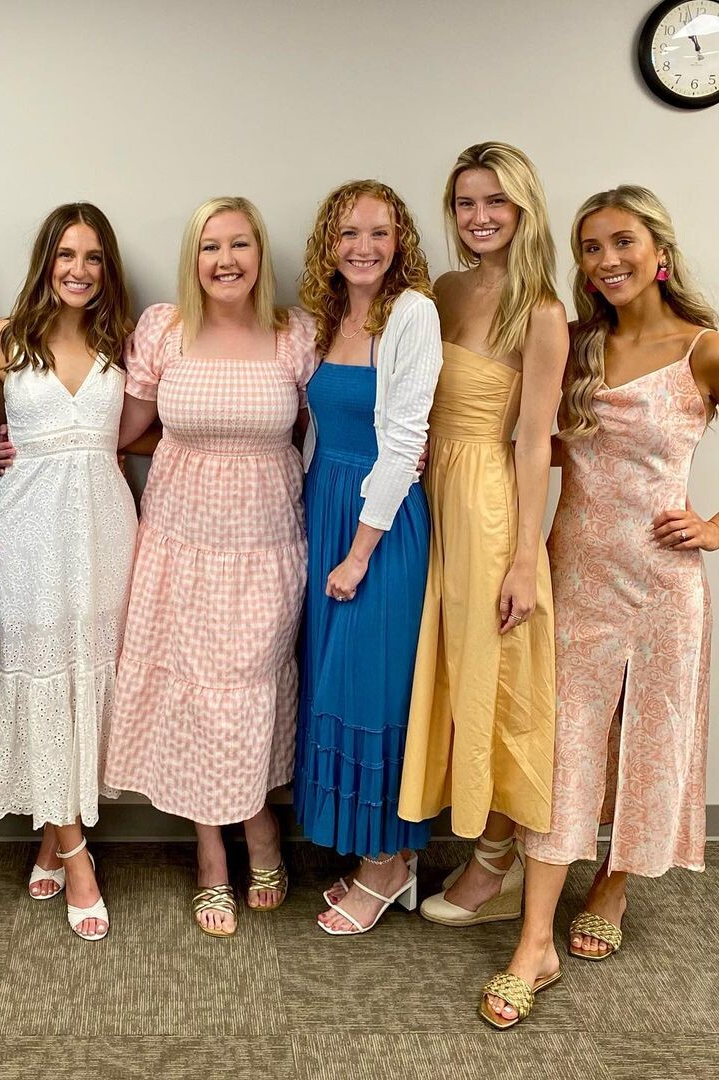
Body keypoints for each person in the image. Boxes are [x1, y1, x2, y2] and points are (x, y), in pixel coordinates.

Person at [481, 186, 718, 1028]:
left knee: (648, 743)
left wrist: (713, 527)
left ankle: (613, 885)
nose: (607, 259)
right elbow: (531, 441)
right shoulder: (575, 342)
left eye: (622, 242)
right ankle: (534, 943)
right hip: (574, 577)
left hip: (663, 587)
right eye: (590, 247)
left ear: (659, 251)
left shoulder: (703, 350)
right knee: (566, 749)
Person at [101, 196, 316, 937]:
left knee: (246, 692)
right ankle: (212, 855)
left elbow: (321, 432)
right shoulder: (165, 329)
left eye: (239, 244)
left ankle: (259, 825)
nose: (226, 260)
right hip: (178, 547)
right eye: (210, 246)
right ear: (192, 259)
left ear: (260, 253)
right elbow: (124, 430)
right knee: (195, 696)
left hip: (266, 548)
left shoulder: (294, 335)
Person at [399, 142, 568, 926]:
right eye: (466, 203)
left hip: (488, 505)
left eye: (495, 201)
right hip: (430, 494)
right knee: (440, 671)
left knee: (492, 680)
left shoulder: (541, 312)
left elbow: (534, 442)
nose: (479, 216)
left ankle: (495, 860)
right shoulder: (442, 289)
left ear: (524, 208)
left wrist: (525, 558)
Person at [0, 203, 137, 940]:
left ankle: (51, 833)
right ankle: (76, 857)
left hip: (105, 527)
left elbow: (148, 423)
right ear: (46, 260)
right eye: (67, 254)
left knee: (84, 674)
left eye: (93, 257)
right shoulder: (3, 339)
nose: (79, 269)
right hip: (28, 529)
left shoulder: (121, 340)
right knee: (39, 672)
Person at [293, 181, 441, 935]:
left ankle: (388, 864)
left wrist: (357, 553)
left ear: (400, 240)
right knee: (330, 680)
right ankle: (375, 853)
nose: (364, 247)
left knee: (371, 690)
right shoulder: (325, 318)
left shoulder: (412, 313)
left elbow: (406, 441)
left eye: (379, 233)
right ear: (330, 242)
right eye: (349, 233)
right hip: (327, 503)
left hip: (378, 524)